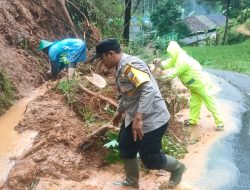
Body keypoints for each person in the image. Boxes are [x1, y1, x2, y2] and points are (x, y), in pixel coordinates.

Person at [91, 38, 186, 189]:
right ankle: (131, 182)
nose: (102, 62)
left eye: (102, 58)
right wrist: (119, 111)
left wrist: (139, 117)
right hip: (133, 117)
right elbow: (128, 92)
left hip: (152, 119)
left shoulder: (130, 67)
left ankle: (178, 168)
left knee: (150, 159)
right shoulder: (121, 67)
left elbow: (148, 89)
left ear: (110, 54)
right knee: (126, 146)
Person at [155, 41, 224, 131]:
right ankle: (193, 120)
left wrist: (160, 77)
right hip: (194, 86)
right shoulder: (176, 58)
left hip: (202, 83)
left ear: (174, 52)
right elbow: (167, 64)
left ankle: (220, 123)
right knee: (194, 103)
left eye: (171, 53)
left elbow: (174, 72)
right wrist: (159, 64)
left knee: (210, 102)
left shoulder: (183, 60)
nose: (170, 55)